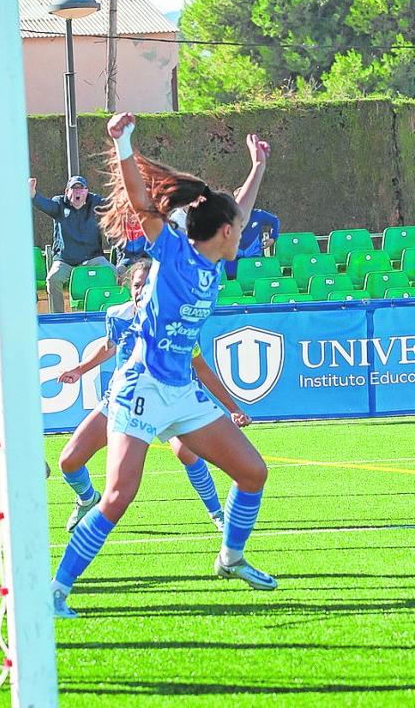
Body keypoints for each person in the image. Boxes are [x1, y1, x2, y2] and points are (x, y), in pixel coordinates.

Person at [50, 112, 276, 620]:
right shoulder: (172, 252)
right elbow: (140, 202)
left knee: (253, 472)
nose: (243, 231)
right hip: (140, 387)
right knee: (116, 498)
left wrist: (257, 166)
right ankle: (57, 590)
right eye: (237, 228)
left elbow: (239, 207)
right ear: (221, 232)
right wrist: (124, 143)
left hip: (180, 390)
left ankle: (230, 557)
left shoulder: (214, 256)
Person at [55, 259, 253, 533]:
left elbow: (201, 368)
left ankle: (218, 514)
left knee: (187, 453)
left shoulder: (175, 322)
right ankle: (88, 498)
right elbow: (108, 346)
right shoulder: (118, 315)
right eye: (137, 285)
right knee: (69, 460)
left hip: (165, 401)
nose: (141, 290)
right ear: (130, 288)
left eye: (148, 285)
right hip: (121, 401)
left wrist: (233, 408)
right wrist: (79, 369)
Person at [31, 175, 116, 313]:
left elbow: (115, 206)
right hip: (66, 261)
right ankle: (58, 317)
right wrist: (33, 194)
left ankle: (108, 312)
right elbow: (44, 204)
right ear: (67, 192)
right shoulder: (59, 203)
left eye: (81, 189)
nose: (77, 192)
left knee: (112, 272)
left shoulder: (95, 202)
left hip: (93, 258)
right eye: (74, 189)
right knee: (52, 279)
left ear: (87, 191)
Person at [224, 207, 281, 279]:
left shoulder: (259, 214)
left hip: (254, 254)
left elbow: (275, 220)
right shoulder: (228, 216)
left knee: (256, 275)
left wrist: (272, 238)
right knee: (229, 275)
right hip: (235, 255)